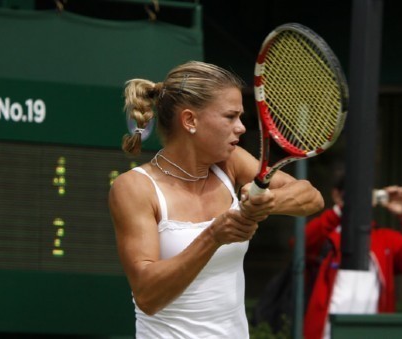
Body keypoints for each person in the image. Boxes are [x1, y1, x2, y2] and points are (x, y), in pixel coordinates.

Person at [108, 61, 324, 338]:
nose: (241, 127)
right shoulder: (135, 187)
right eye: (230, 117)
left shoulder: (229, 162)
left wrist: (268, 200)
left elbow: (312, 198)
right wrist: (213, 237)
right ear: (190, 121)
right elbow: (148, 296)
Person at [303, 176, 402, 339]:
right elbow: (300, 244)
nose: (359, 200)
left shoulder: (384, 239)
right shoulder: (326, 234)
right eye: (351, 194)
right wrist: (342, 210)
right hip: (326, 333)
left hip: (372, 332)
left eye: (365, 194)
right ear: (337, 195)